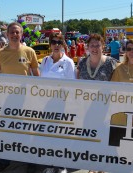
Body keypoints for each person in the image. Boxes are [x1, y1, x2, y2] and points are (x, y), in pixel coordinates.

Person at [0, 22, 40, 173]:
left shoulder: (30, 51)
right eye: (12, 32)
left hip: (26, 99)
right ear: (7, 34)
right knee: (6, 131)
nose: (14, 35)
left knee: (27, 130)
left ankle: (30, 160)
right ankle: (5, 160)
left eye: (17, 32)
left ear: (21, 35)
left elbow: (36, 75)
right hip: (6, 100)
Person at [77, 33, 119, 173]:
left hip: (105, 108)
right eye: (92, 45)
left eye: (97, 45)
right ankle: (92, 166)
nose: (95, 48)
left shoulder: (111, 63)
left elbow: (120, 84)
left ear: (103, 46)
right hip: (86, 108)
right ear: (87, 47)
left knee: (104, 137)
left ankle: (102, 167)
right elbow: (76, 85)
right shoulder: (82, 62)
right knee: (90, 137)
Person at [38, 32, 74, 173]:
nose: (56, 45)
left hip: (62, 105)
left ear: (63, 45)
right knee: (48, 135)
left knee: (61, 136)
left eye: (59, 42)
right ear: (50, 45)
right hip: (46, 104)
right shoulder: (45, 61)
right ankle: (49, 164)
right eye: (54, 42)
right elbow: (41, 83)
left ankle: (61, 165)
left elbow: (72, 86)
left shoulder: (68, 62)